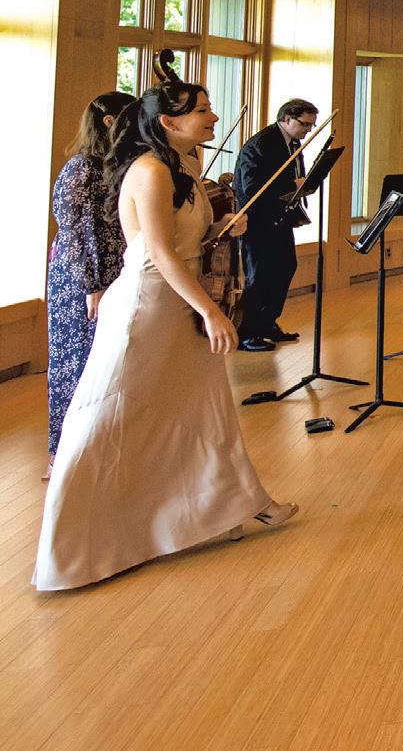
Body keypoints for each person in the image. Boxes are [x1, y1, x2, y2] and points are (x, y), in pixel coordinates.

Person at [35, 83, 295, 591]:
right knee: (111, 415)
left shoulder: (184, 167)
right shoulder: (150, 171)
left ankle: (240, 504)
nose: (213, 117)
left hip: (179, 298)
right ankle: (73, 545)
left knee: (204, 407)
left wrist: (223, 225)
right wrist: (210, 311)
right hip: (148, 305)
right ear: (168, 123)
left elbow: (187, 239)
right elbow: (157, 252)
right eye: (202, 111)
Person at [44, 90, 136, 476]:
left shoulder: (113, 164)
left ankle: (97, 448)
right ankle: (62, 455)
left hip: (109, 271)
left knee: (105, 362)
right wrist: (92, 285)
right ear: (109, 122)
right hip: (81, 279)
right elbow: (75, 233)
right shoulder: (82, 167)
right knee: (76, 362)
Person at [233, 98, 318, 352]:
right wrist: (293, 185)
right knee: (259, 275)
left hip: (280, 217)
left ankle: (267, 323)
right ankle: (247, 333)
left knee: (285, 266)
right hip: (257, 219)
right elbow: (251, 187)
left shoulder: (292, 143)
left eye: (311, 126)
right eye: (304, 124)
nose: (308, 130)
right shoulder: (262, 143)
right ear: (286, 119)